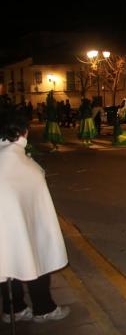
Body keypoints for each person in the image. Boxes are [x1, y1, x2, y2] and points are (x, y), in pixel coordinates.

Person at [0, 109, 70, 324]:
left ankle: (14, 309)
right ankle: (43, 308)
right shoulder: (26, 166)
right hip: (25, 230)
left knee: (6, 262)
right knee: (36, 254)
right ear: (23, 133)